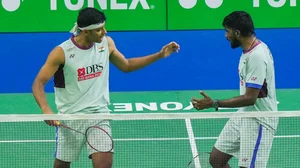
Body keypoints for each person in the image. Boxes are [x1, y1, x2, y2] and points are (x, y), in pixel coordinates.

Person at [32, 7, 180, 168]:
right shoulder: (62, 52)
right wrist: (46, 109)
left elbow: (127, 65)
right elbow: (38, 83)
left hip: (99, 115)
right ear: (86, 32)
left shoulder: (106, 43)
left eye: (103, 27)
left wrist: (159, 55)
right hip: (70, 117)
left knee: (104, 165)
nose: (104, 31)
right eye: (99, 29)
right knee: (62, 165)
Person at [191, 11, 278, 168]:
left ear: (237, 33)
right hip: (245, 113)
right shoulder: (249, 50)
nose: (226, 36)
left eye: (227, 31)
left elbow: (250, 97)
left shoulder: (257, 56)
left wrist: (214, 103)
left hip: (260, 119)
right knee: (217, 159)